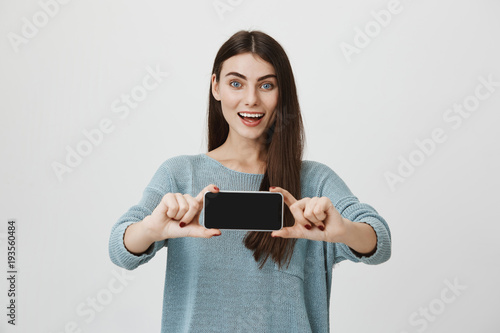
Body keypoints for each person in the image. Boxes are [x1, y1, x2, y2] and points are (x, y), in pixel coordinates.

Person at [108, 30, 391, 333]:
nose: (251, 99)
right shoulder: (180, 173)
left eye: (266, 85)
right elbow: (119, 248)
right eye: (236, 83)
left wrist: (344, 231)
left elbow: (380, 240)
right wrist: (151, 228)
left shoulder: (314, 180)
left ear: (283, 93)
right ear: (215, 87)